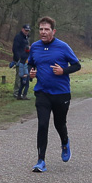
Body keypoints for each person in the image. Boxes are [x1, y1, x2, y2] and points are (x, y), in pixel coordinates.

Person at [27, 16, 81, 172]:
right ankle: (40, 161)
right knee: (42, 124)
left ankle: (65, 142)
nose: (43, 32)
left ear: (53, 31)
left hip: (61, 93)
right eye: (41, 29)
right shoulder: (35, 47)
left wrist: (64, 70)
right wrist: (31, 73)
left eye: (46, 29)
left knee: (59, 124)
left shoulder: (63, 47)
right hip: (42, 92)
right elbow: (31, 63)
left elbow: (77, 65)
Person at [11, 24, 31, 100]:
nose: (27, 32)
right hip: (20, 60)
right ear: (22, 29)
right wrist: (18, 59)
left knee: (24, 77)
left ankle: (21, 93)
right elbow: (15, 49)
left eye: (28, 31)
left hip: (25, 60)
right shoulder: (18, 37)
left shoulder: (26, 38)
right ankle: (16, 92)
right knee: (19, 77)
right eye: (26, 30)